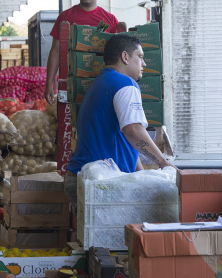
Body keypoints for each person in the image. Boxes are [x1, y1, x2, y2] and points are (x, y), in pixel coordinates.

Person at [63, 34, 174, 205]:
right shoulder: (125, 84)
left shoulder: (102, 82)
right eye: (140, 57)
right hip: (99, 184)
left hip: (86, 179)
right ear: (125, 57)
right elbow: (134, 131)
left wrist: (140, 175)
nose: (144, 64)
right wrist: (163, 162)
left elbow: (128, 140)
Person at [45, 0, 124, 103]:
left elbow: (119, 55)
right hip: (72, 83)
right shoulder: (65, 17)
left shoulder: (110, 20)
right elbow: (55, 51)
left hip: (102, 84)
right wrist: (49, 84)